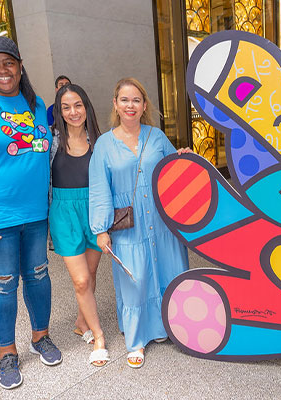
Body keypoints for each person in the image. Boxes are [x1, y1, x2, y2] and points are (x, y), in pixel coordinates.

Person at [0, 36, 61, 390]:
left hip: (36, 215)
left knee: (38, 275)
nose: (2, 70)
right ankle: (7, 353)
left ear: (20, 66)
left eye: (9, 63)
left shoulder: (36, 104)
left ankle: (41, 337)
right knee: (3, 285)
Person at [89, 77, 189, 368]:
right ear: (115, 104)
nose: (130, 105)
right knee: (135, 278)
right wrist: (101, 230)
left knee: (168, 270)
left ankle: (166, 327)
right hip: (128, 225)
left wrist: (182, 157)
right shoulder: (105, 145)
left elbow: (174, 170)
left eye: (136, 100)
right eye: (124, 100)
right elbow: (99, 188)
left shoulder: (156, 136)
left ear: (144, 105)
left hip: (162, 221)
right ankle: (136, 339)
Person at [50, 84, 109, 367]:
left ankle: (81, 320)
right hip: (64, 213)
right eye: (66, 107)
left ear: (86, 107)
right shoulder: (50, 141)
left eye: (78, 105)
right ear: (59, 112)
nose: (73, 112)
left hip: (93, 211)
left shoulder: (99, 140)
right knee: (81, 279)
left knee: (92, 271)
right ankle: (98, 336)